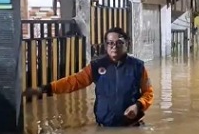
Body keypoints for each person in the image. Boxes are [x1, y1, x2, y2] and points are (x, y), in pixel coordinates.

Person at [23, 28, 154, 127]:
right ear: (106, 45)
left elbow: (148, 93)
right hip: (104, 129)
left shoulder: (137, 67)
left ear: (127, 44)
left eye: (119, 43)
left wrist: (138, 105)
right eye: (110, 43)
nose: (114, 47)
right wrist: (46, 88)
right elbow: (74, 81)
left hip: (132, 127)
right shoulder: (96, 66)